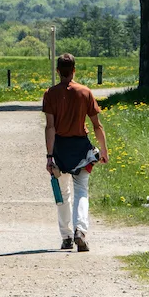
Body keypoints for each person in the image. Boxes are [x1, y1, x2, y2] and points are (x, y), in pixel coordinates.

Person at [43, 53, 109, 252]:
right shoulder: (85, 92)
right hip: (81, 148)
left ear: (57, 71)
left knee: (62, 194)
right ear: (74, 70)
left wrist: (49, 156)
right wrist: (104, 150)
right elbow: (97, 125)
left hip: (60, 148)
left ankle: (66, 237)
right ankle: (80, 230)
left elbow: (50, 127)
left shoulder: (50, 94)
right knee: (81, 190)